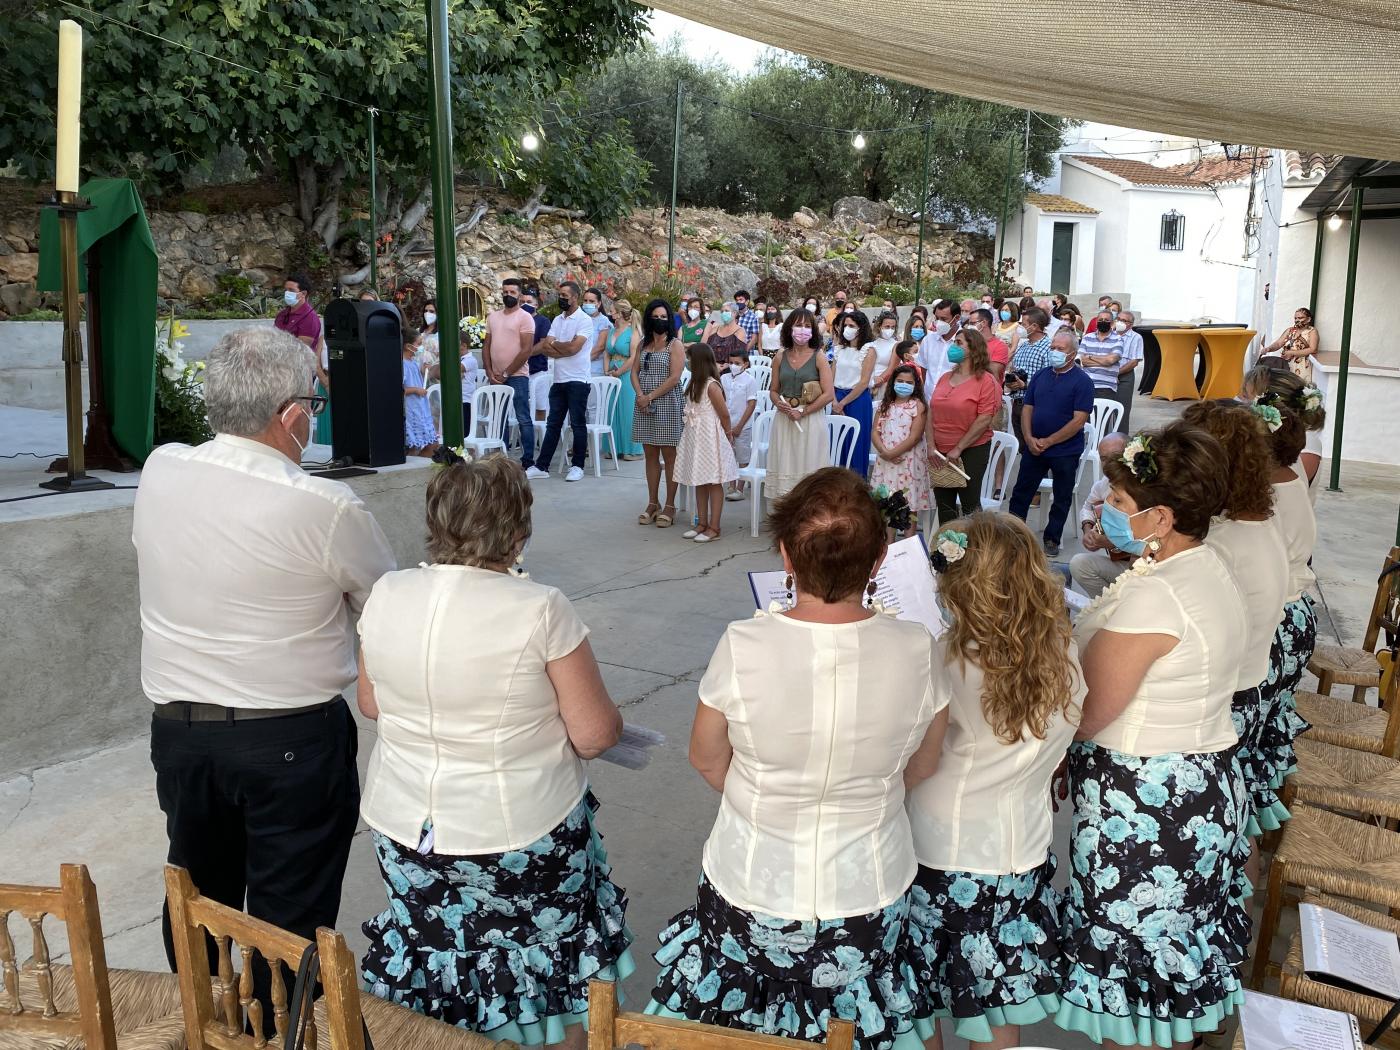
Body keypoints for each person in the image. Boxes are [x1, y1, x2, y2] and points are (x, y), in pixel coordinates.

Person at [135, 327, 395, 1015]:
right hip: (291, 739)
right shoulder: (326, 505)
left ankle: (209, 1023)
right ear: (291, 417)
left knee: (197, 902)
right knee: (289, 922)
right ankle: (274, 1032)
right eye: (315, 400)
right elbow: (385, 608)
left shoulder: (161, 470)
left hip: (182, 736)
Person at [649, 467, 950, 1050]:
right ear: (881, 557)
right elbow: (924, 765)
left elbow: (707, 759)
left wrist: (770, 799)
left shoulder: (745, 643)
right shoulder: (917, 647)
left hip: (753, 879)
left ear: (786, 557)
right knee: (872, 1022)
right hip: (868, 884)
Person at [356, 453, 631, 1045]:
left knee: (443, 969)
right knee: (547, 974)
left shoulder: (387, 593)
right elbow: (594, 733)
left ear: (437, 521)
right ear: (517, 530)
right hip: (517, 832)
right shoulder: (540, 608)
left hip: (406, 825)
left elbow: (373, 704)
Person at [1055, 422, 1250, 1049]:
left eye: (1118, 503)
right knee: (1162, 969)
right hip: (1196, 789)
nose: (1105, 510)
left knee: (1133, 986)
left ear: (1160, 517)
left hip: (1147, 810)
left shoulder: (1159, 598)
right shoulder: (1202, 564)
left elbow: (1087, 710)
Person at [909, 512, 1083, 1050]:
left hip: (940, 844)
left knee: (919, 998)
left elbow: (916, 755)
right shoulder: (1064, 653)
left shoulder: (945, 659)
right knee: (995, 998)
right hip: (1019, 848)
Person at [1181, 400, 1290, 846]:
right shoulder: (1258, 523)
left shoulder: (1220, 545)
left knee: (1221, 834)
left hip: (1223, 701)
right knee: (1237, 817)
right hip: (1247, 688)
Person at [1253, 377, 1322, 809]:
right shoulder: (1290, 479)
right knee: (1264, 734)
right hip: (1294, 615)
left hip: (1277, 621)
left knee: (1253, 739)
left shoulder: (1267, 497)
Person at [1008, 328, 1095, 556]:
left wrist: (1049, 441)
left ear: (1072, 353)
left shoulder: (1083, 382)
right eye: (1053, 348)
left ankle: (1052, 538)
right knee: (1021, 492)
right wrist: (1028, 438)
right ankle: (1014, 535)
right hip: (1034, 446)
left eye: (1060, 349)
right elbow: (1028, 408)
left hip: (1065, 450)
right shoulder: (1041, 375)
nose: (1054, 352)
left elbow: (1079, 421)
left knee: (1062, 495)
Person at [528, 281, 595, 483]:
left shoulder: (584, 320)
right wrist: (560, 347)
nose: (562, 298)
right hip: (559, 379)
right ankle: (542, 466)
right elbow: (546, 348)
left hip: (578, 379)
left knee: (577, 424)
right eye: (560, 294)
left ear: (575, 297)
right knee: (553, 423)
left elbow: (574, 348)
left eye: (565, 295)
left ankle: (577, 466)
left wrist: (555, 345)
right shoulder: (557, 319)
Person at [674, 344, 740, 543]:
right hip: (695, 437)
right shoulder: (694, 383)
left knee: (713, 481)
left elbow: (724, 414)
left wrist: (728, 435)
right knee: (699, 480)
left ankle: (714, 526)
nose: (687, 362)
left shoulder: (712, 385)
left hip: (710, 437)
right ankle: (701, 523)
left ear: (699, 362)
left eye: (690, 359)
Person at [766, 308, 834, 498]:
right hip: (784, 419)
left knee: (809, 468)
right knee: (785, 466)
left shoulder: (819, 357)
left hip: (809, 420)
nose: (802, 330)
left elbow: (828, 394)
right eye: (798, 325)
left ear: (812, 330)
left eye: (806, 326)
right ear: (789, 328)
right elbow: (773, 390)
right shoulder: (780, 356)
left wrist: (803, 412)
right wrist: (778, 403)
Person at [633, 299, 687, 528]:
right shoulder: (643, 344)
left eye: (664, 317)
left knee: (670, 455)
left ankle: (670, 505)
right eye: (656, 316)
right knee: (650, 454)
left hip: (666, 403)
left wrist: (650, 396)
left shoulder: (675, 344)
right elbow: (634, 372)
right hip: (643, 403)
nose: (660, 320)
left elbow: (675, 377)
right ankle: (652, 502)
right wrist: (639, 395)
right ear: (648, 318)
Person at [485, 277, 541, 470]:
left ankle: (527, 461)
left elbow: (526, 350)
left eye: (512, 292)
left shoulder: (525, 318)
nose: (508, 295)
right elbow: (487, 346)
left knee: (522, 417)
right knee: (498, 417)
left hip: (517, 376)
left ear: (519, 295)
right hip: (495, 376)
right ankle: (500, 459)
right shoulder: (492, 317)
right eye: (505, 292)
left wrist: (507, 372)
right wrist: (489, 371)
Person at [1068, 433, 1132, 598]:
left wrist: (1110, 543)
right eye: (1104, 459)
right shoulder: (1103, 485)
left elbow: (1145, 540)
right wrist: (1088, 530)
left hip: (1148, 568)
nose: (1108, 464)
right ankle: (1105, 608)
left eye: (1114, 457)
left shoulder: (1145, 489)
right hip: (1122, 564)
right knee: (1078, 564)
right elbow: (1088, 507)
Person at [869, 364, 930, 532]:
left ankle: (909, 548)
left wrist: (892, 453)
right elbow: (875, 432)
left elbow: (915, 436)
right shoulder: (885, 405)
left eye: (909, 382)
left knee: (909, 505)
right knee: (887, 503)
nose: (904, 385)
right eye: (900, 381)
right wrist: (885, 453)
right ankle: (889, 548)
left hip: (907, 462)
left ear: (915, 385)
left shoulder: (918, 406)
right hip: (886, 461)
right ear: (893, 383)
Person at [274, 273, 329, 444]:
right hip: (278, 370)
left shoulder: (310, 318)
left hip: (298, 373)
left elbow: (300, 348)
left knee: (296, 412)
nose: (287, 293)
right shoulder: (282, 315)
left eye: (291, 290)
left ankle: (298, 444)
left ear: (303, 294)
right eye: (286, 290)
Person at [831, 309, 876, 477]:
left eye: (852, 325)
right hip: (837, 397)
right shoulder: (839, 349)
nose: (847, 329)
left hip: (857, 400)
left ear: (861, 328)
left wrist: (843, 403)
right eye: (845, 325)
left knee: (856, 444)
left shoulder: (868, 349)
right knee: (837, 443)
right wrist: (835, 402)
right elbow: (831, 376)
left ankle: (857, 485)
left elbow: (864, 382)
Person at [605, 298, 643, 460]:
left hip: (627, 374)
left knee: (627, 411)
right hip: (611, 374)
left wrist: (619, 371)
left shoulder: (633, 332)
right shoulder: (612, 331)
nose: (610, 313)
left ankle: (633, 449)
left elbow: (634, 356)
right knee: (612, 412)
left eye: (612, 310)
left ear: (619, 314)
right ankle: (614, 447)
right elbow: (607, 352)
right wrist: (606, 370)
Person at [721, 348, 759, 500]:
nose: (733, 365)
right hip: (726, 424)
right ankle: (731, 485)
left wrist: (739, 426)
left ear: (745, 364)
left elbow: (751, 404)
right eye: (731, 362)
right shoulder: (724, 379)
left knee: (742, 456)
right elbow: (722, 399)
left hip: (742, 425)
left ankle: (740, 488)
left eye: (737, 363)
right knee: (729, 455)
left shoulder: (750, 381)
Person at [1260, 306, 1320, 384]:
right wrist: (1268, 349)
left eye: (1300, 318)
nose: (1297, 320)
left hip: (1301, 365)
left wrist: (1292, 353)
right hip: (1286, 364)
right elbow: (1278, 343)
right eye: (1295, 318)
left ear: (1308, 319)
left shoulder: (1312, 331)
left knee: (1298, 387)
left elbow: (1313, 349)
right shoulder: (1290, 331)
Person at [402, 332, 439, 456]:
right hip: (411, 409)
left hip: (420, 407)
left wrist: (425, 370)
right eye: (418, 344)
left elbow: (418, 378)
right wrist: (416, 390)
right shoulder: (402, 364)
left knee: (432, 443)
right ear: (408, 346)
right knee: (414, 446)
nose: (421, 346)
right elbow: (400, 390)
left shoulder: (413, 362)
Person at [1078, 311, 1123, 393]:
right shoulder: (1087, 337)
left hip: (1105, 386)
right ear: (1096, 322)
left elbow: (1111, 360)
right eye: (1100, 319)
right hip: (1085, 385)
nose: (1103, 322)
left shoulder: (1118, 339)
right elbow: (1080, 360)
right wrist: (1104, 361)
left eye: (1106, 320)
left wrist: (1090, 357)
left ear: (1112, 322)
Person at [1113, 310, 1144, 433]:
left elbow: (1134, 361)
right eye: (1118, 319)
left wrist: (1116, 373)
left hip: (1124, 376)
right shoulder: (1111, 335)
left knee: (1122, 410)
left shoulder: (1136, 338)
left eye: (1124, 321)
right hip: (1107, 376)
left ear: (1130, 324)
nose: (1120, 322)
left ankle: (1120, 441)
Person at [917, 301, 957, 390]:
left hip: (951, 399)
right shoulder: (928, 340)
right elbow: (923, 368)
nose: (939, 323)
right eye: (937, 318)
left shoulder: (965, 341)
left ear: (956, 318)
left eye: (943, 319)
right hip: (928, 397)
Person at [866, 309, 903, 399]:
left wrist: (876, 383)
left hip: (884, 385)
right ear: (879, 326)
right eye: (887, 326)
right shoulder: (871, 344)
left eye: (892, 327)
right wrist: (869, 382)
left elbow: (891, 368)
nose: (890, 329)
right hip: (867, 383)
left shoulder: (896, 344)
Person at [704, 301, 748, 367]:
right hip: (710, 366)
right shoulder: (715, 329)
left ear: (734, 313)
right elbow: (706, 348)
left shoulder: (740, 331)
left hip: (730, 368)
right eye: (722, 312)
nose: (724, 313)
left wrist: (724, 366)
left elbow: (739, 356)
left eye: (726, 311)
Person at [582, 286, 613, 377]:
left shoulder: (604, 322)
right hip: (578, 369)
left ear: (599, 304)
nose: (587, 304)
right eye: (585, 300)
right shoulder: (580, 319)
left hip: (595, 370)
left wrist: (581, 361)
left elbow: (600, 348)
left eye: (591, 301)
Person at [524, 284, 552, 375]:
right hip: (520, 371)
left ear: (536, 305)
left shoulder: (543, 321)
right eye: (522, 302)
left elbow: (543, 344)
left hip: (537, 370)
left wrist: (523, 355)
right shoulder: (516, 320)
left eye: (528, 302)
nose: (525, 304)